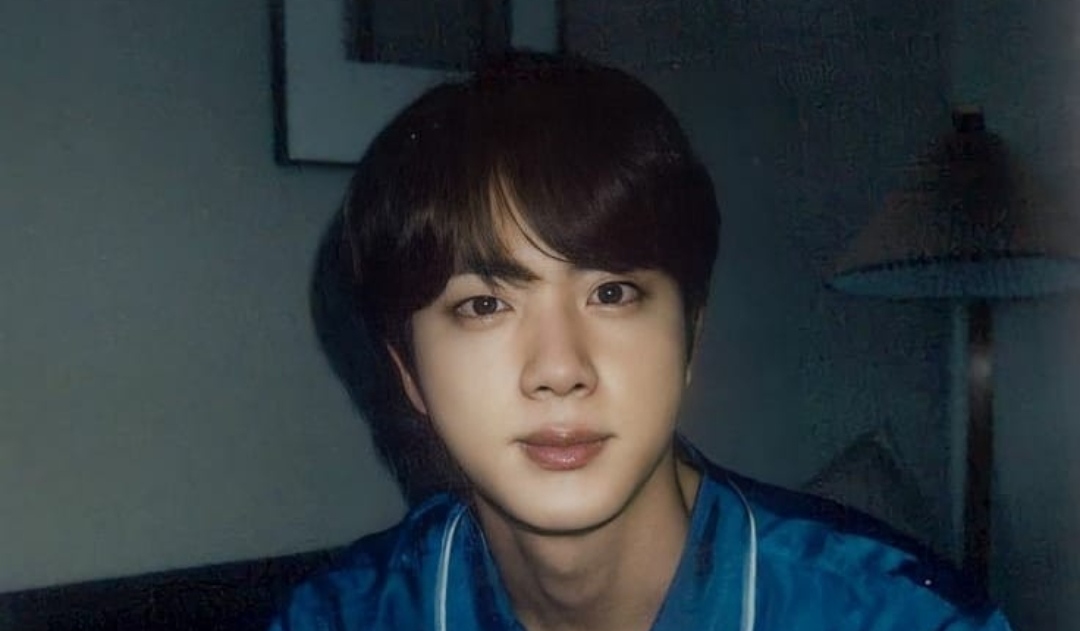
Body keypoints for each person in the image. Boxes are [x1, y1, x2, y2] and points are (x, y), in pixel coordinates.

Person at [271, 53, 1013, 631]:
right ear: (408, 373)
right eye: (486, 303)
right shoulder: (337, 620)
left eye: (611, 293)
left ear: (690, 333)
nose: (559, 369)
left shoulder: (899, 619)